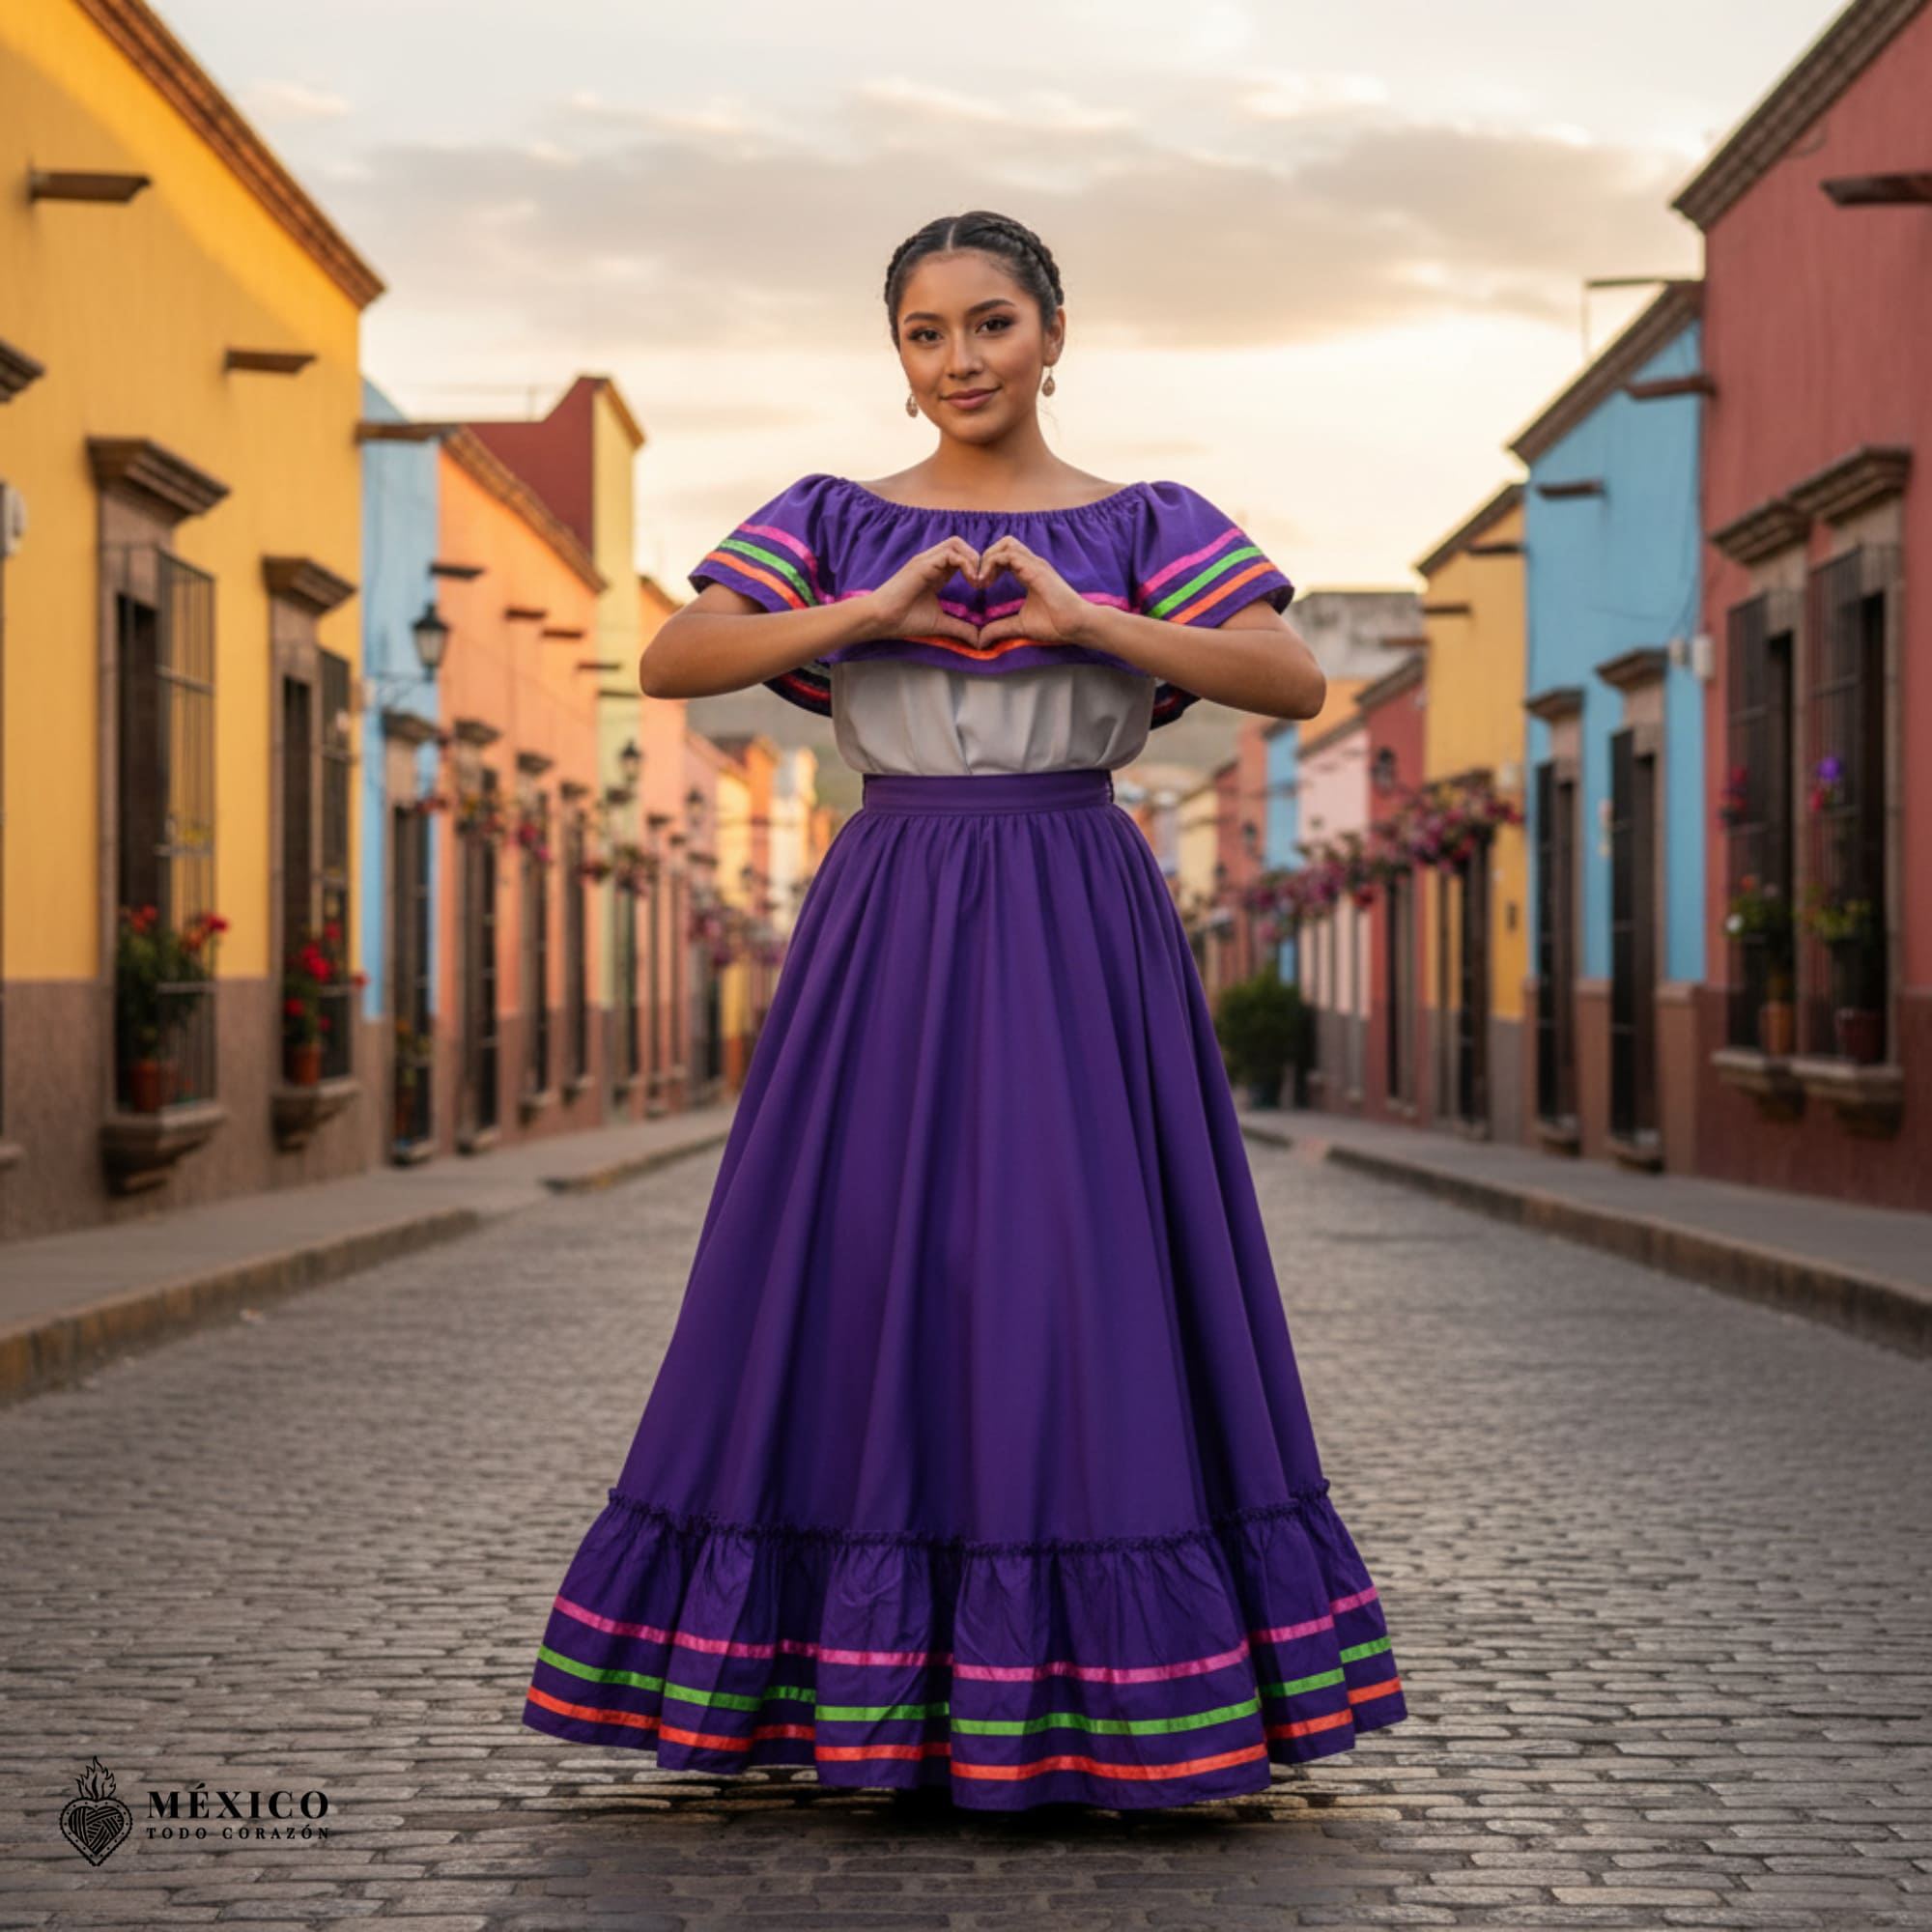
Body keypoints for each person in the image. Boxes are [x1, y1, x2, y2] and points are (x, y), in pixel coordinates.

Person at [521, 209, 1409, 1812]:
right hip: (891, 904)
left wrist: (1090, 625)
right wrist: (866, 614)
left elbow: (1287, 682)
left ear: (1056, 333)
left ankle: (1098, 1687)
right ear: (899, 355)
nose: (960, 362)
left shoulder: (1148, 517)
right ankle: (839, 1680)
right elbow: (675, 654)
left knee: (1076, 1266)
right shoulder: (835, 520)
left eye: (991, 324)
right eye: (926, 335)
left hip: (1077, 898)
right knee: (853, 1252)